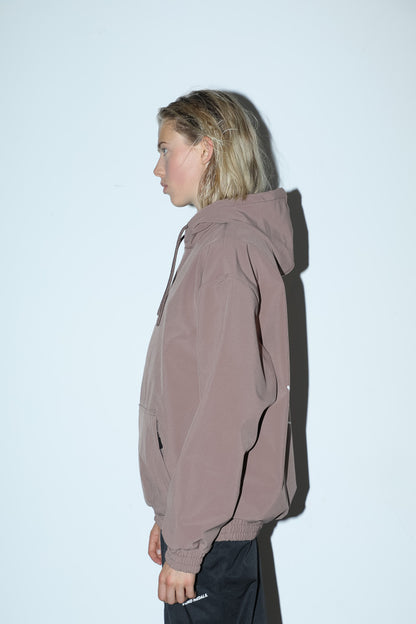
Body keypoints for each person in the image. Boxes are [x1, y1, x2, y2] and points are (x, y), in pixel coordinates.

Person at [138, 90, 296, 623]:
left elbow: (227, 409)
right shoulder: (213, 248)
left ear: (206, 150)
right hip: (209, 530)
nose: (158, 168)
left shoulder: (226, 252)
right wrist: (172, 516)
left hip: (212, 541)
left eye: (166, 150)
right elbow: (187, 399)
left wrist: (188, 545)